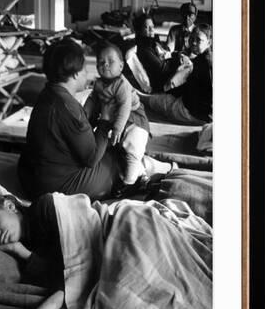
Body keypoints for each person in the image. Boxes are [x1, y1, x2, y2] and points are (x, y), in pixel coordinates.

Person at [0, 186, 213, 309]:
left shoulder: (45, 207)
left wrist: (50, 304)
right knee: (125, 306)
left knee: (135, 286)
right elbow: (67, 271)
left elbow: (80, 254)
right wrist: (20, 252)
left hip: (123, 227)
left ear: (10, 205)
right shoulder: (25, 254)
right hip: (105, 261)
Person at [18, 39, 121, 200]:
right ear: (75, 74)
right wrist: (105, 119)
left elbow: (73, 131)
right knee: (112, 160)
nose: (88, 74)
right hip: (54, 188)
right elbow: (91, 158)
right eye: (85, 69)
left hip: (32, 177)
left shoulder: (49, 93)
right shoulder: (68, 108)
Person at [84, 42, 151, 195]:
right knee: (120, 151)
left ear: (121, 66)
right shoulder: (99, 83)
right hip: (117, 119)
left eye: (111, 61)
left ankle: (129, 183)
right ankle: (141, 175)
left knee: (133, 148)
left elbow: (125, 107)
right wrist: (86, 114)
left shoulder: (122, 85)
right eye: (101, 62)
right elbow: (93, 99)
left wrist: (117, 128)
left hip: (134, 120)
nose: (105, 64)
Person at [143, 24, 213, 125]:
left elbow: (184, 90)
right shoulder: (208, 58)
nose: (193, 42)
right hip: (207, 114)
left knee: (156, 100)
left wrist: (168, 88)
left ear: (209, 42)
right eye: (192, 38)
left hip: (194, 114)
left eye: (198, 40)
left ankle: (137, 95)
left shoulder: (201, 63)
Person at [132, 13, 184, 92]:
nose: (151, 29)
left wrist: (176, 55)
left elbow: (164, 54)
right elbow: (163, 69)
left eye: (152, 26)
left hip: (167, 76)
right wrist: (178, 59)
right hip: (162, 84)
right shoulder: (144, 49)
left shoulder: (152, 43)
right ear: (139, 30)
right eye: (147, 27)